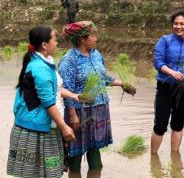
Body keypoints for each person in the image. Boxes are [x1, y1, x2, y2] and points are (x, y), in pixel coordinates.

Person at [58, 21, 134, 173]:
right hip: (80, 111)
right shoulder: (70, 59)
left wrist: (123, 84)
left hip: (99, 107)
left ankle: (95, 172)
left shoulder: (96, 54)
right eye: (92, 36)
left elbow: (104, 78)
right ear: (81, 39)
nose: (96, 39)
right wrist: (72, 115)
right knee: (76, 151)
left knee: (94, 147)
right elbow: (65, 89)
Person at [7, 27, 77, 178]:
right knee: (37, 174)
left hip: (44, 125)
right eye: (55, 39)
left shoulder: (45, 62)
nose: (57, 43)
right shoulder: (40, 68)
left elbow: (55, 89)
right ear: (45, 45)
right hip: (36, 128)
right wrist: (64, 127)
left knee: (44, 173)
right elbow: (48, 102)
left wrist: (75, 96)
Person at [151, 11, 184, 154]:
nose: (178, 26)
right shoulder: (164, 40)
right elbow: (158, 62)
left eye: (181, 24)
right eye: (175, 23)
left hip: (183, 89)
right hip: (165, 88)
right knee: (160, 125)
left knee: (178, 125)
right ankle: (153, 158)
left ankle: (175, 157)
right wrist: (171, 72)